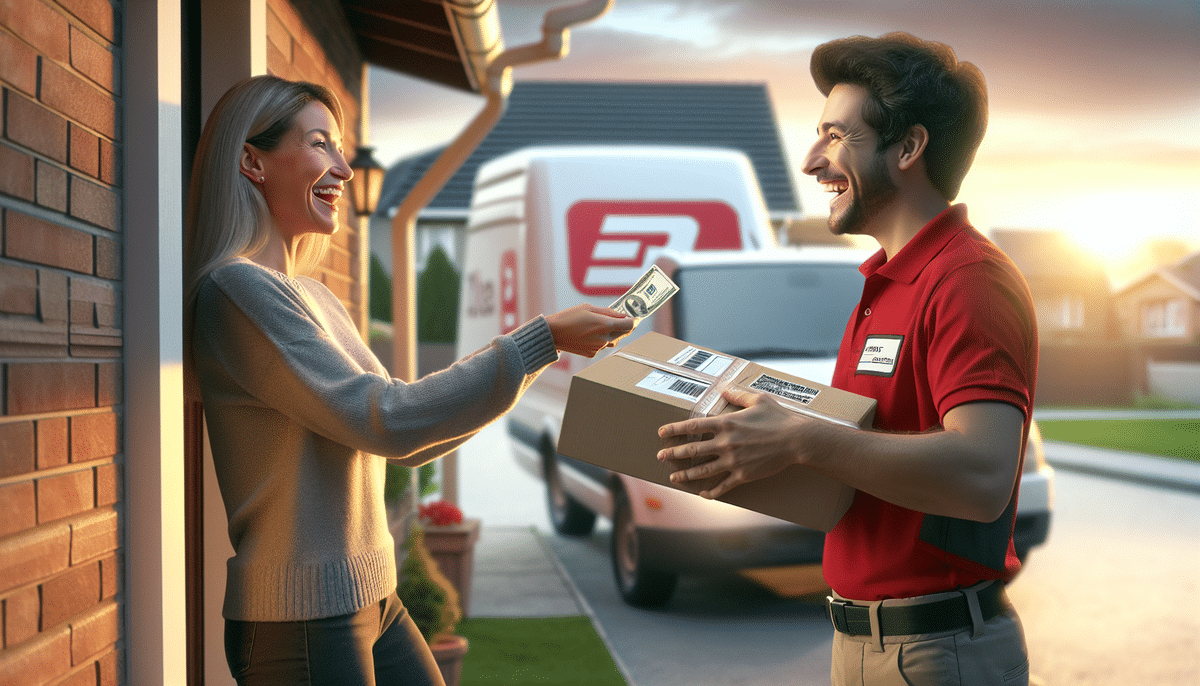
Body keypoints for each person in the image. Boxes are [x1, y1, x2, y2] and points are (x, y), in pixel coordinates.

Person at [184, 75, 633, 685]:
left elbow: (409, 431)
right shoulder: (236, 292)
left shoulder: (313, 296)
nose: (343, 167)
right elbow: (388, 418)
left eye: (339, 146)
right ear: (252, 161)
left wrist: (543, 349)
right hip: (303, 619)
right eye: (320, 143)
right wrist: (541, 340)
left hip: (372, 593)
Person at [657, 33, 1037, 685]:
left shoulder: (968, 279)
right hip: (866, 644)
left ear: (910, 147)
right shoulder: (883, 284)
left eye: (835, 136)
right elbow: (869, 463)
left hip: (937, 651)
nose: (811, 161)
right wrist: (753, 451)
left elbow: (981, 474)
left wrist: (804, 442)